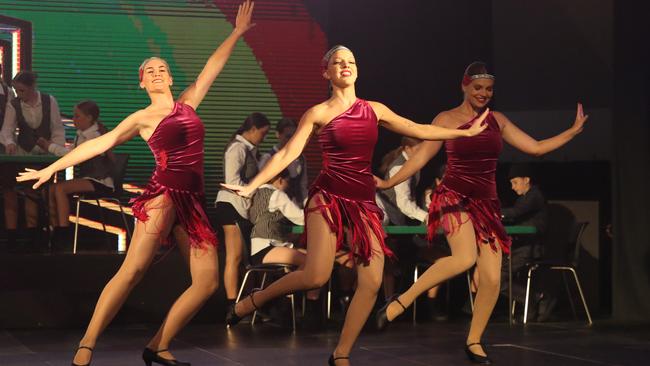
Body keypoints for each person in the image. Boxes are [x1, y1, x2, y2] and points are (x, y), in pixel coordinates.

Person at [17, 2, 255, 365]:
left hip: (193, 201)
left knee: (206, 283)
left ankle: (159, 344)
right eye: (150, 70)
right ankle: (87, 343)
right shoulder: (142, 117)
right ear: (142, 81)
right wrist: (53, 168)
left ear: (172, 79)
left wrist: (236, 33)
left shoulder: (189, 103)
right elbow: (101, 143)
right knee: (133, 271)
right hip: (163, 195)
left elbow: (212, 68)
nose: (158, 72)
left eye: (163, 68)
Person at [222, 45, 488, 366]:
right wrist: (251, 186)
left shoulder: (374, 109)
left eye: (350, 61)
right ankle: (252, 301)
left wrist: (465, 132)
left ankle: (342, 354)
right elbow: (287, 153)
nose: (345, 65)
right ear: (327, 72)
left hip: (363, 202)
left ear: (357, 70)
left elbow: (419, 129)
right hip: (328, 197)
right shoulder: (318, 113)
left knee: (373, 282)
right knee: (316, 276)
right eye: (338, 62)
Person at [374, 61, 588, 364]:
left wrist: (573, 132)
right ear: (464, 86)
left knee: (490, 277)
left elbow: (536, 148)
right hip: (453, 198)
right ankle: (400, 302)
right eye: (477, 88)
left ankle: (473, 340)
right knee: (464, 258)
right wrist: (387, 181)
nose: (483, 94)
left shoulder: (497, 120)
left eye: (488, 89)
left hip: (486, 204)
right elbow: (421, 156)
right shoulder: (446, 119)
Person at [1, 71, 65, 250]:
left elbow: (57, 129)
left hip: (44, 156)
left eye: (21, 90)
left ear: (31, 88)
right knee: (19, 188)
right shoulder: (14, 104)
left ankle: (41, 235)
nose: (18, 94)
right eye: (16, 90)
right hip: (24, 153)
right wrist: (9, 143)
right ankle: (23, 236)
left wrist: (54, 148)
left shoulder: (48, 101)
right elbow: (7, 130)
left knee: (39, 192)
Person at [215, 111, 270, 310]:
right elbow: (232, 182)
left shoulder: (251, 151)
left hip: (242, 206)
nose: (263, 138)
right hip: (231, 205)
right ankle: (232, 305)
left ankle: (244, 302)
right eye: (262, 133)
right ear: (252, 129)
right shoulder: (237, 148)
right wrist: (254, 189)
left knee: (243, 258)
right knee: (234, 256)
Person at [47, 100, 115, 250]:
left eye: (77, 116)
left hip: (100, 181)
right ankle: (54, 230)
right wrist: (49, 146)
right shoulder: (81, 135)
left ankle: (63, 235)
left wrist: (49, 146)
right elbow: (69, 154)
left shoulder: (95, 137)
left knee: (60, 189)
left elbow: (77, 156)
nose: (73, 119)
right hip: (88, 179)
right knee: (51, 189)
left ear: (89, 118)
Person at [501, 163, 555, 322]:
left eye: (515, 182)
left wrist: (491, 213)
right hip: (522, 247)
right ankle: (536, 298)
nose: (512, 187)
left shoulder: (534, 196)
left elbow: (515, 213)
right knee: (495, 277)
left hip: (532, 248)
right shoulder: (525, 198)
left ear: (527, 180)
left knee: (497, 278)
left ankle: (532, 298)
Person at [259, 118, 308, 207]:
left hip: (296, 207)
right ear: (278, 134)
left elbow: (303, 185)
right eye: (288, 136)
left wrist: (305, 206)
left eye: (294, 136)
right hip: (276, 209)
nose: (291, 140)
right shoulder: (268, 158)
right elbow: (261, 187)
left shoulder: (301, 158)